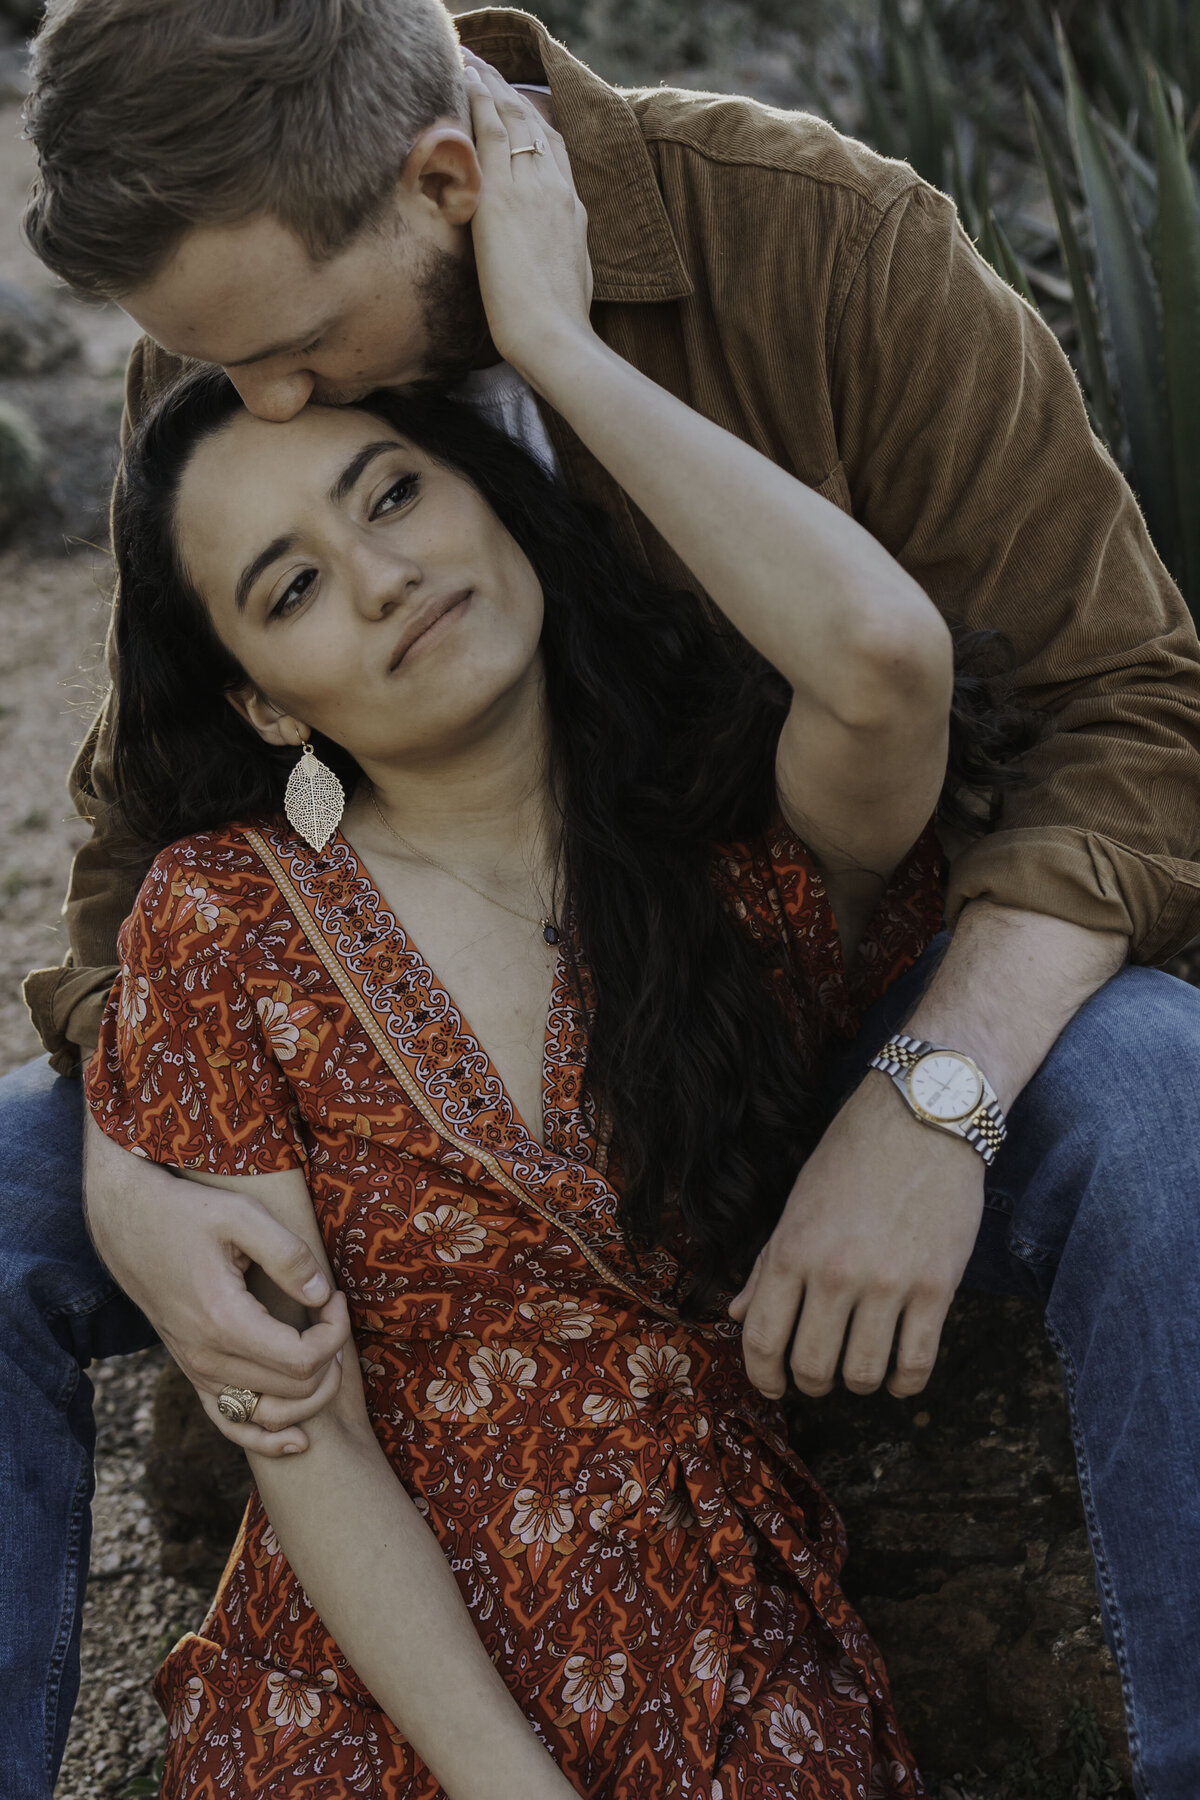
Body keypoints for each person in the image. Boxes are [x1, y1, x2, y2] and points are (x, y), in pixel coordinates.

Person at [3, 1, 1199, 1794]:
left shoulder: (825, 240)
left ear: (444, 182)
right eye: (207, 367)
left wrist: (931, 1095)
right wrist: (136, 1142)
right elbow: (150, 815)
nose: (255, 402)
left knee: (1162, 1106)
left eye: (297, 351)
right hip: (419, 1045)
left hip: (850, 966)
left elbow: (1133, 712)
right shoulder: (246, 350)